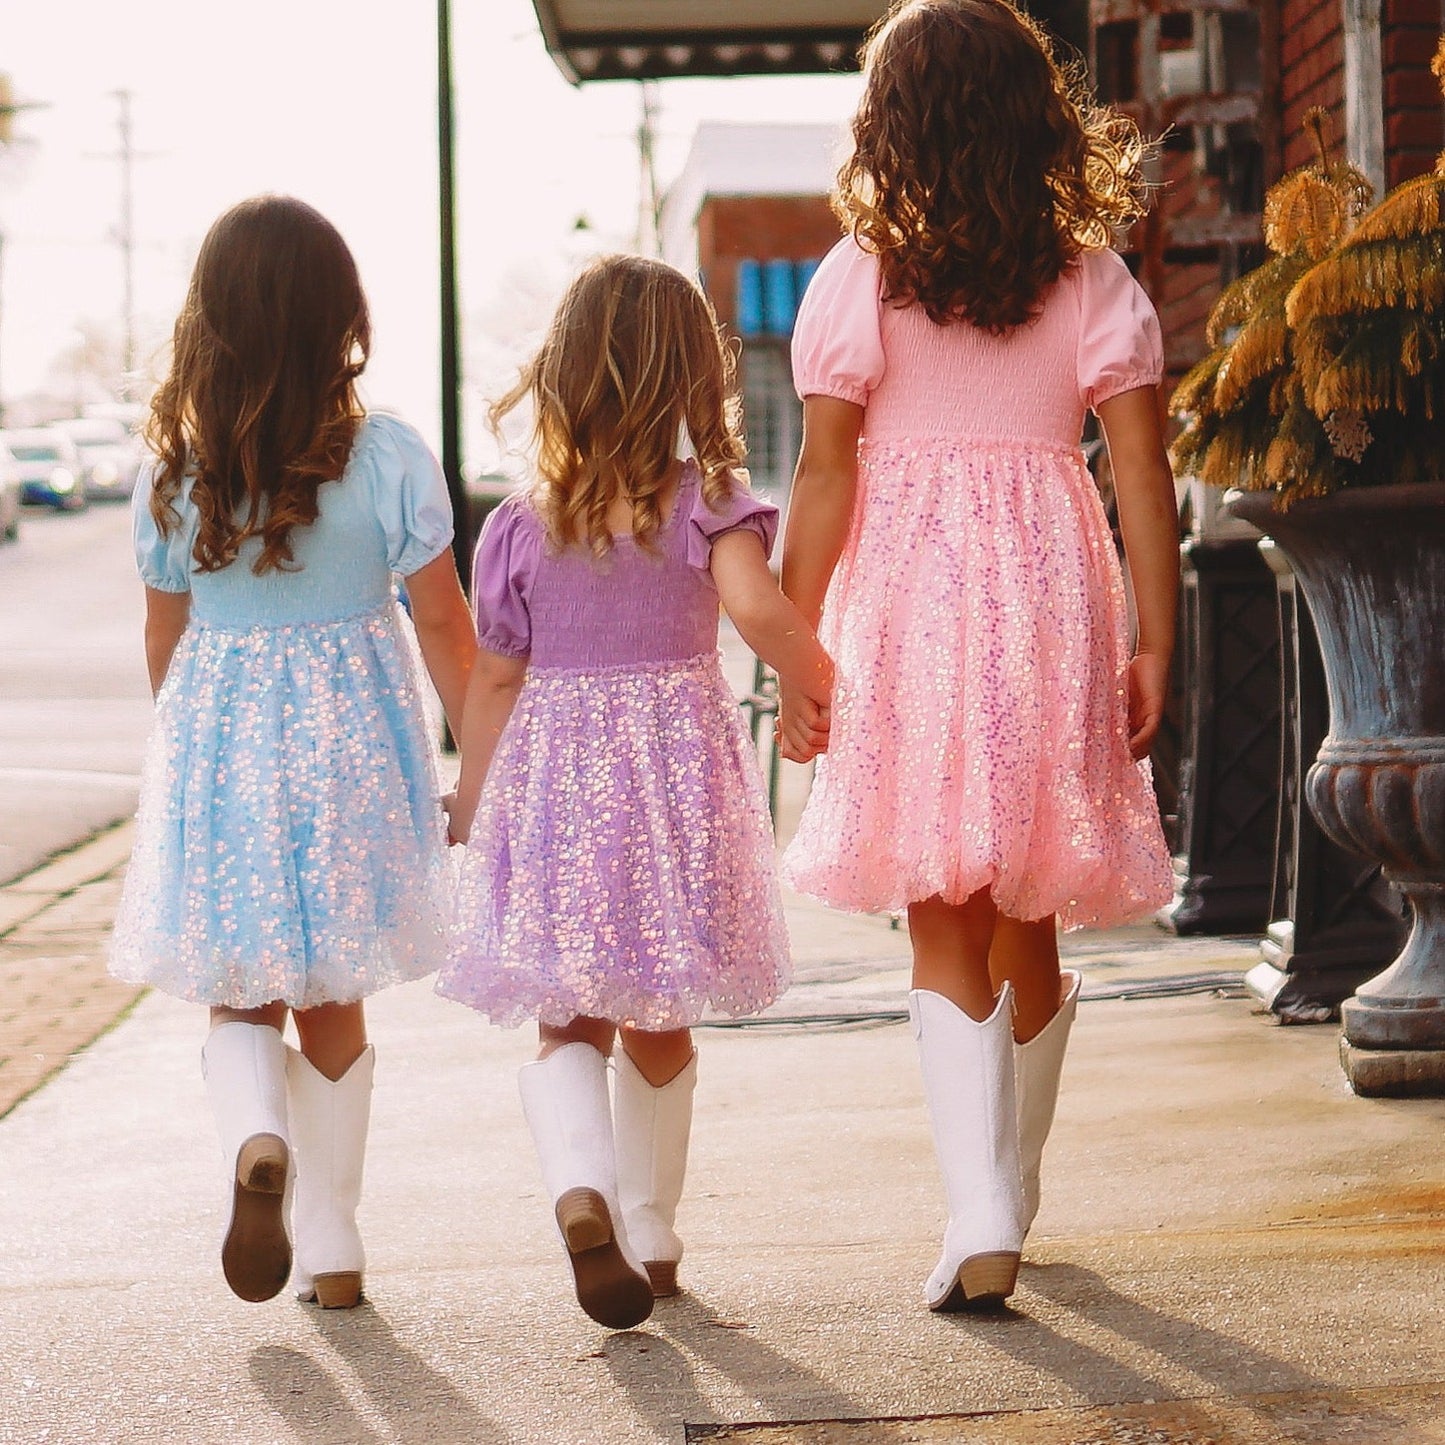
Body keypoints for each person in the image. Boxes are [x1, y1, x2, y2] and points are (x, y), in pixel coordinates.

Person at [779, 0, 1179, 1313]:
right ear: (1036, 119)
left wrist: (794, 640)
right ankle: (1012, 1184)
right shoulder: (1090, 278)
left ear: (890, 125)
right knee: (1027, 902)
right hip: (1052, 602)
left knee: (942, 902)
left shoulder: (862, 277)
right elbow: (1139, 477)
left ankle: (980, 1206)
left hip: (910, 606)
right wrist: (1154, 640)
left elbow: (824, 475)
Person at [438, 254, 832, 1330]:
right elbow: (757, 610)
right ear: (697, 380)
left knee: (567, 1019)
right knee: (659, 1015)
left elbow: (494, 675)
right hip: (668, 791)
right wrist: (822, 684)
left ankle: (580, 1188)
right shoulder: (711, 506)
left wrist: (475, 803)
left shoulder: (520, 524)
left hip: (555, 787)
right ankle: (648, 1234)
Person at [109, 196, 476, 1309]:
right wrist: (481, 766)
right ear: (340, 317)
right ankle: (331, 1243)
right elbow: (446, 626)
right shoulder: (388, 456)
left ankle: (256, 1134)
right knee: (334, 992)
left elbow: (164, 631)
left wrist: (186, 759)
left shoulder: (175, 472)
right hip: (354, 749)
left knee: (239, 988)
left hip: (224, 749)